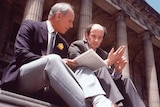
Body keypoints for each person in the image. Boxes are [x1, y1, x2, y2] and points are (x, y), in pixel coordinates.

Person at [0, 2, 118, 107]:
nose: (71, 26)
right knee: (54, 60)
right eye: (70, 21)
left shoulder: (62, 43)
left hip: (49, 87)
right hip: (22, 78)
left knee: (81, 67)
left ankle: (100, 101)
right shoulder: (30, 26)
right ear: (58, 16)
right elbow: (21, 54)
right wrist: (52, 60)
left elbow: (61, 70)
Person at [68, 23, 146, 107]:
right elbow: (77, 64)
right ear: (86, 35)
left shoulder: (103, 54)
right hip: (84, 80)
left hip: (103, 84)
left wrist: (117, 71)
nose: (96, 40)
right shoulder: (77, 46)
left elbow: (110, 79)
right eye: (94, 36)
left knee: (127, 81)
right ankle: (116, 104)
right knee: (102, 68)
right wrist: (107, 62)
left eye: (100, 37)